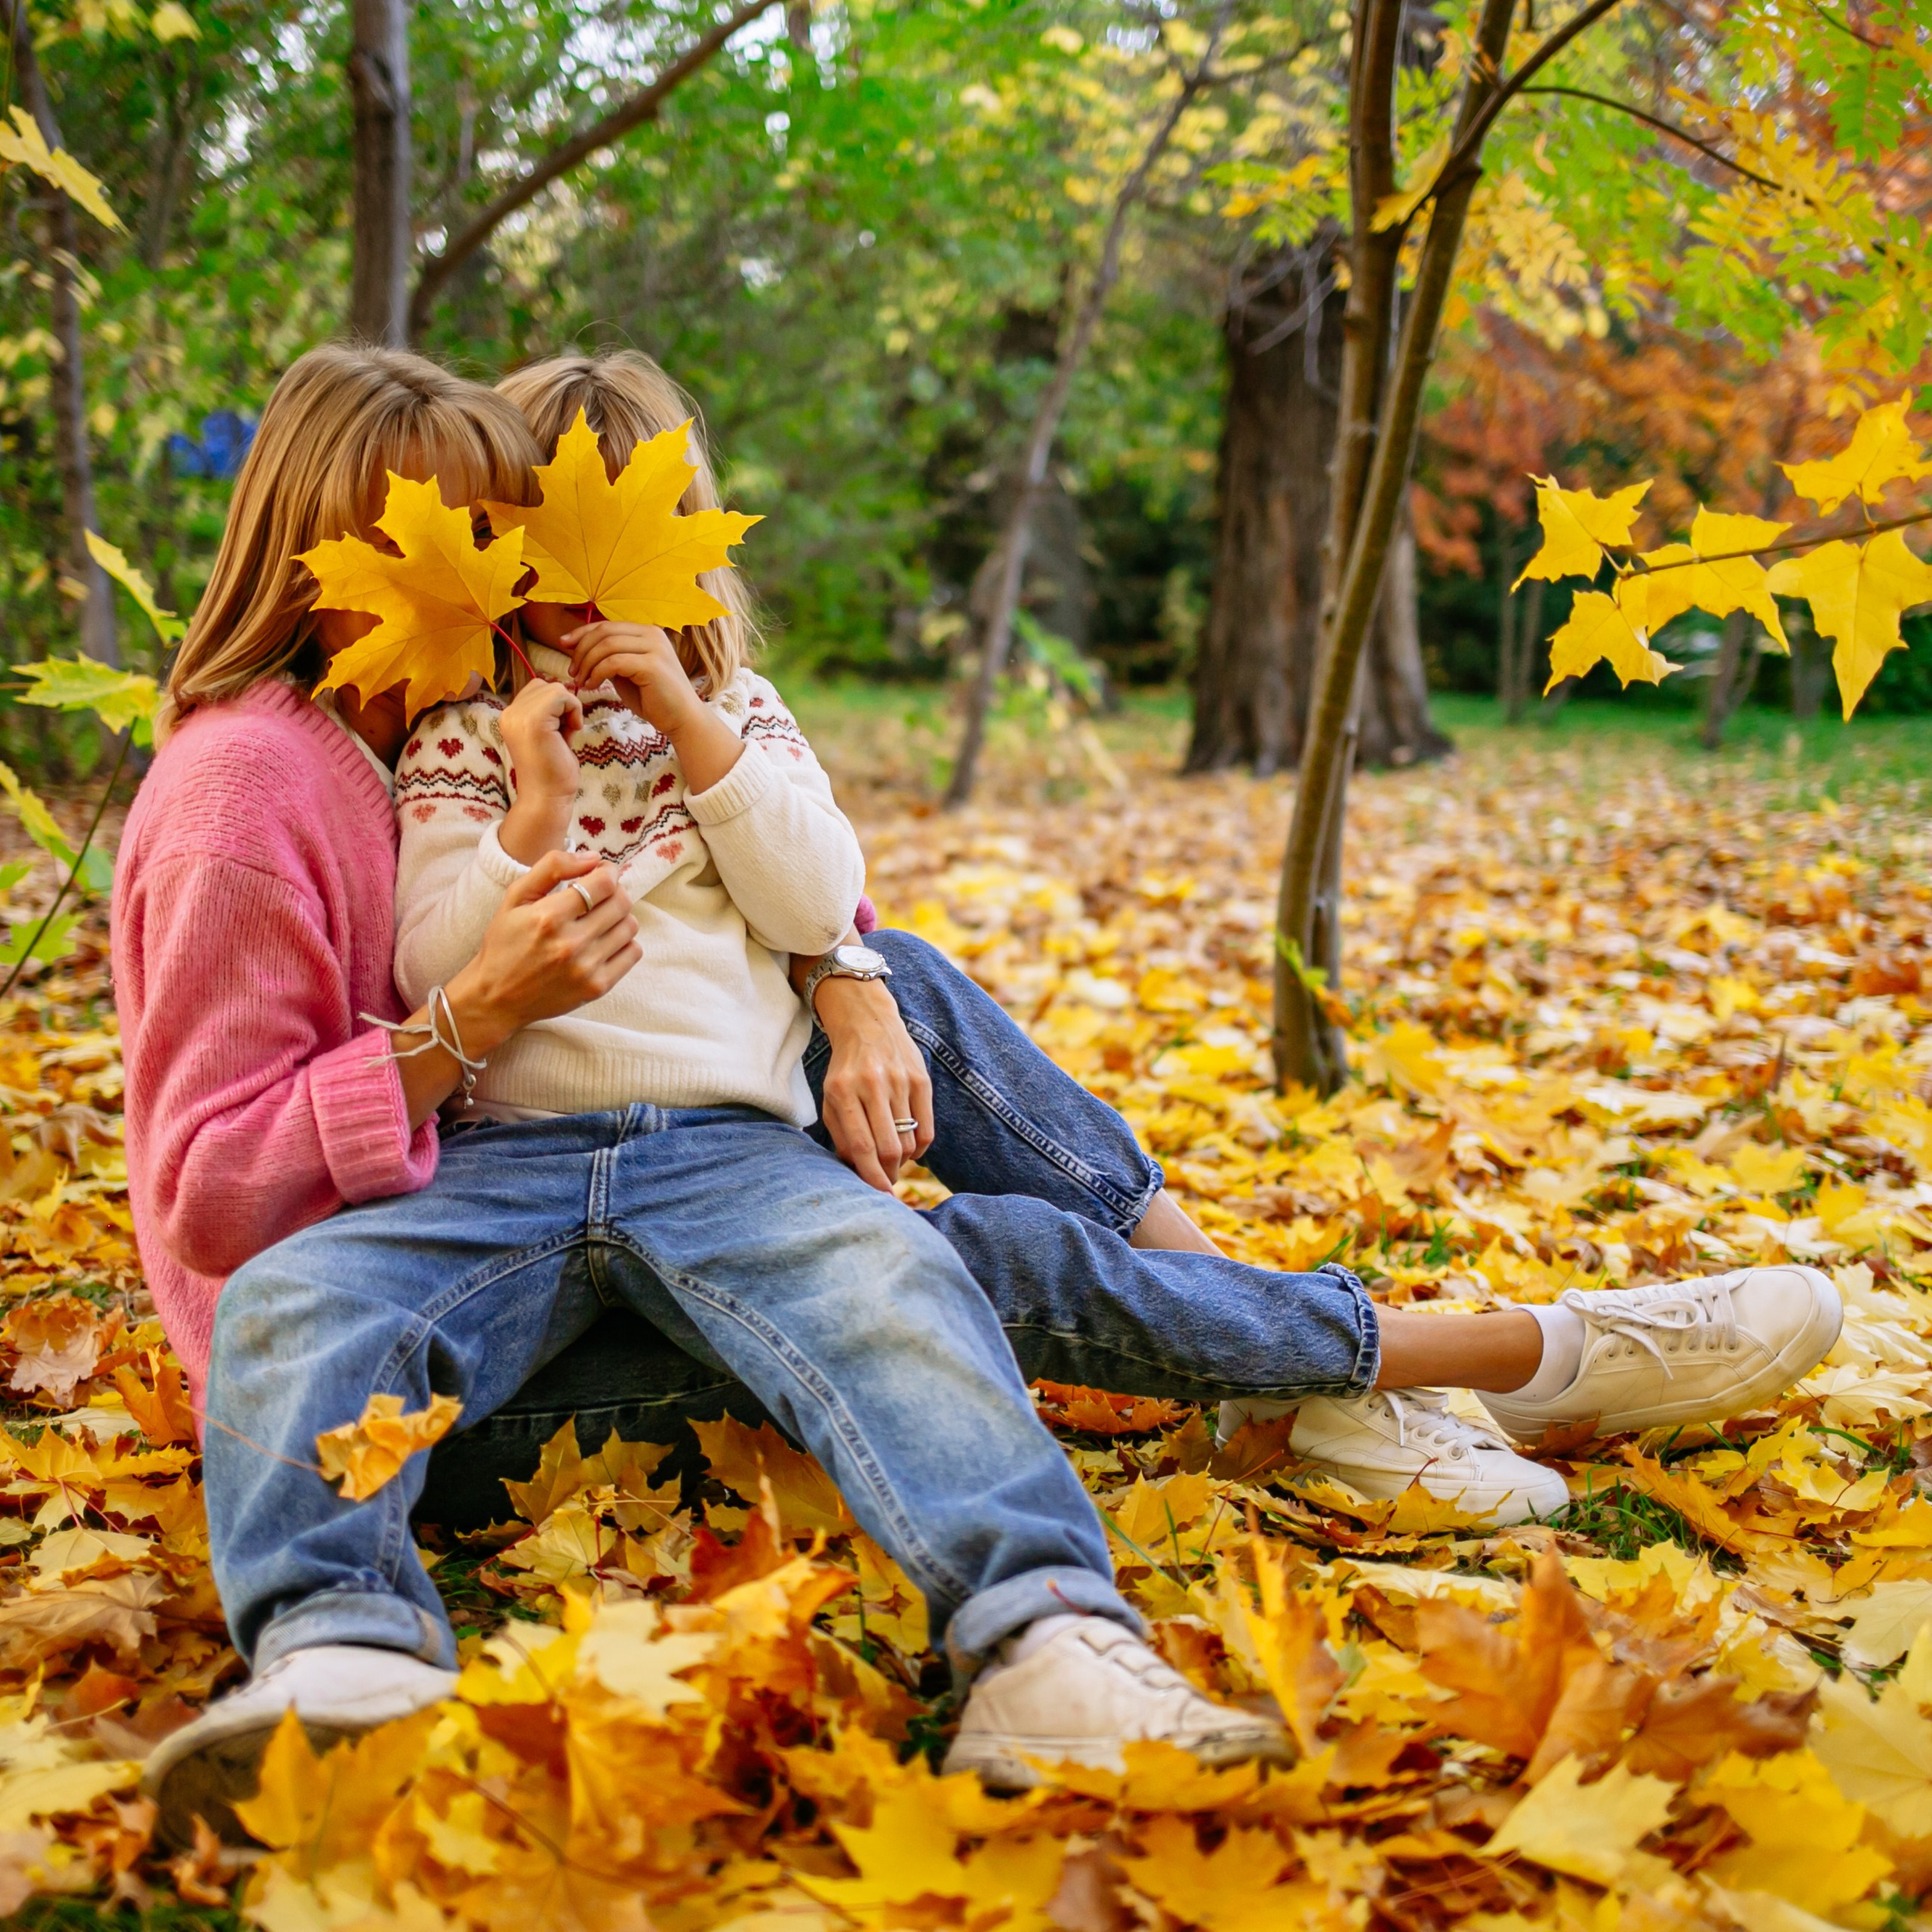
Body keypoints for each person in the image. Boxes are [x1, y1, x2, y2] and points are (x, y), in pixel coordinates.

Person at [116, 344, 1841, 1844]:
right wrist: (517, 862)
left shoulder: (657, 709)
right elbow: (308, 1107)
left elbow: (819, 887)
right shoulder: (335, 762)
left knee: (900, 1249)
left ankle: (1043, 1633)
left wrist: (819, 934)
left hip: (715, 1148)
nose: (506, 584)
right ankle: (337, 1645)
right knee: (319, 1295)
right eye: (471, 546)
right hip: (482, 1198)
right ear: (353, 547)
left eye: (525, 543)